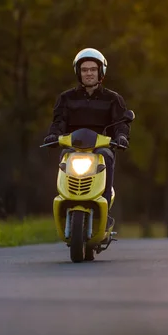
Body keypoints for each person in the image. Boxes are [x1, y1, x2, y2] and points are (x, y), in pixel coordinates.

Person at [43, 48, 131, 230]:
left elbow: (121, 123)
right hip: (73, 148)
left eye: (92, 69)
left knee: (106, 156)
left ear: (101, 72)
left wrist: (122, 136)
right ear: (78, 72)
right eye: (84, 70)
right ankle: (66, 201)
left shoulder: (113, 99)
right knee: (64, 156)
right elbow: (59, 121)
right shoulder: (65, 98)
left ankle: (104, 211)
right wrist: (53, 135)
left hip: (101, 148)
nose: (89, 73)